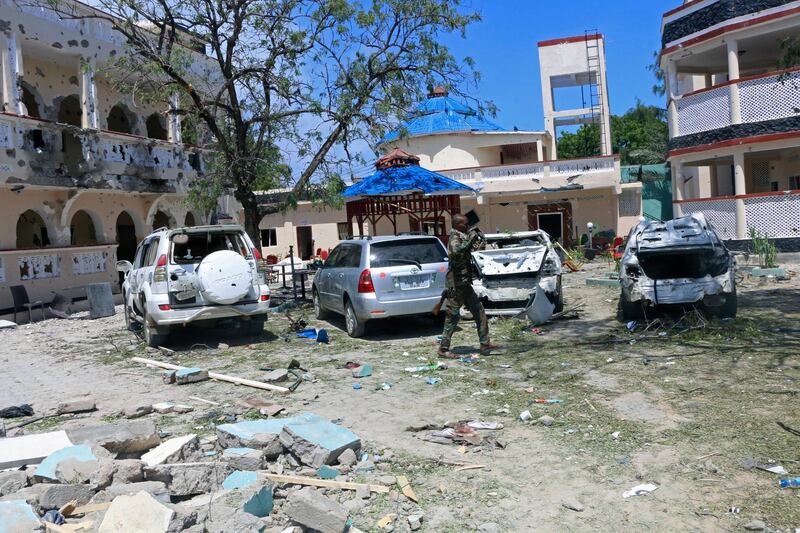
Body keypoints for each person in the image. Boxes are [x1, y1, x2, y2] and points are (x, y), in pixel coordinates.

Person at [437, 214, 498, 358]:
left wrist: (478, 241)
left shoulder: (462, 237)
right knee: (452, 316)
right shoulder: (454, 238)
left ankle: (485, 343)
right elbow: (457, 251)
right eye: (465, 224)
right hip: (456, 285)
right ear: (458, 225)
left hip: (465, 284)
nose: (467, 226)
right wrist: (470, 240)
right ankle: (443, 349)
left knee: (479, 311)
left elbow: (472, 251)